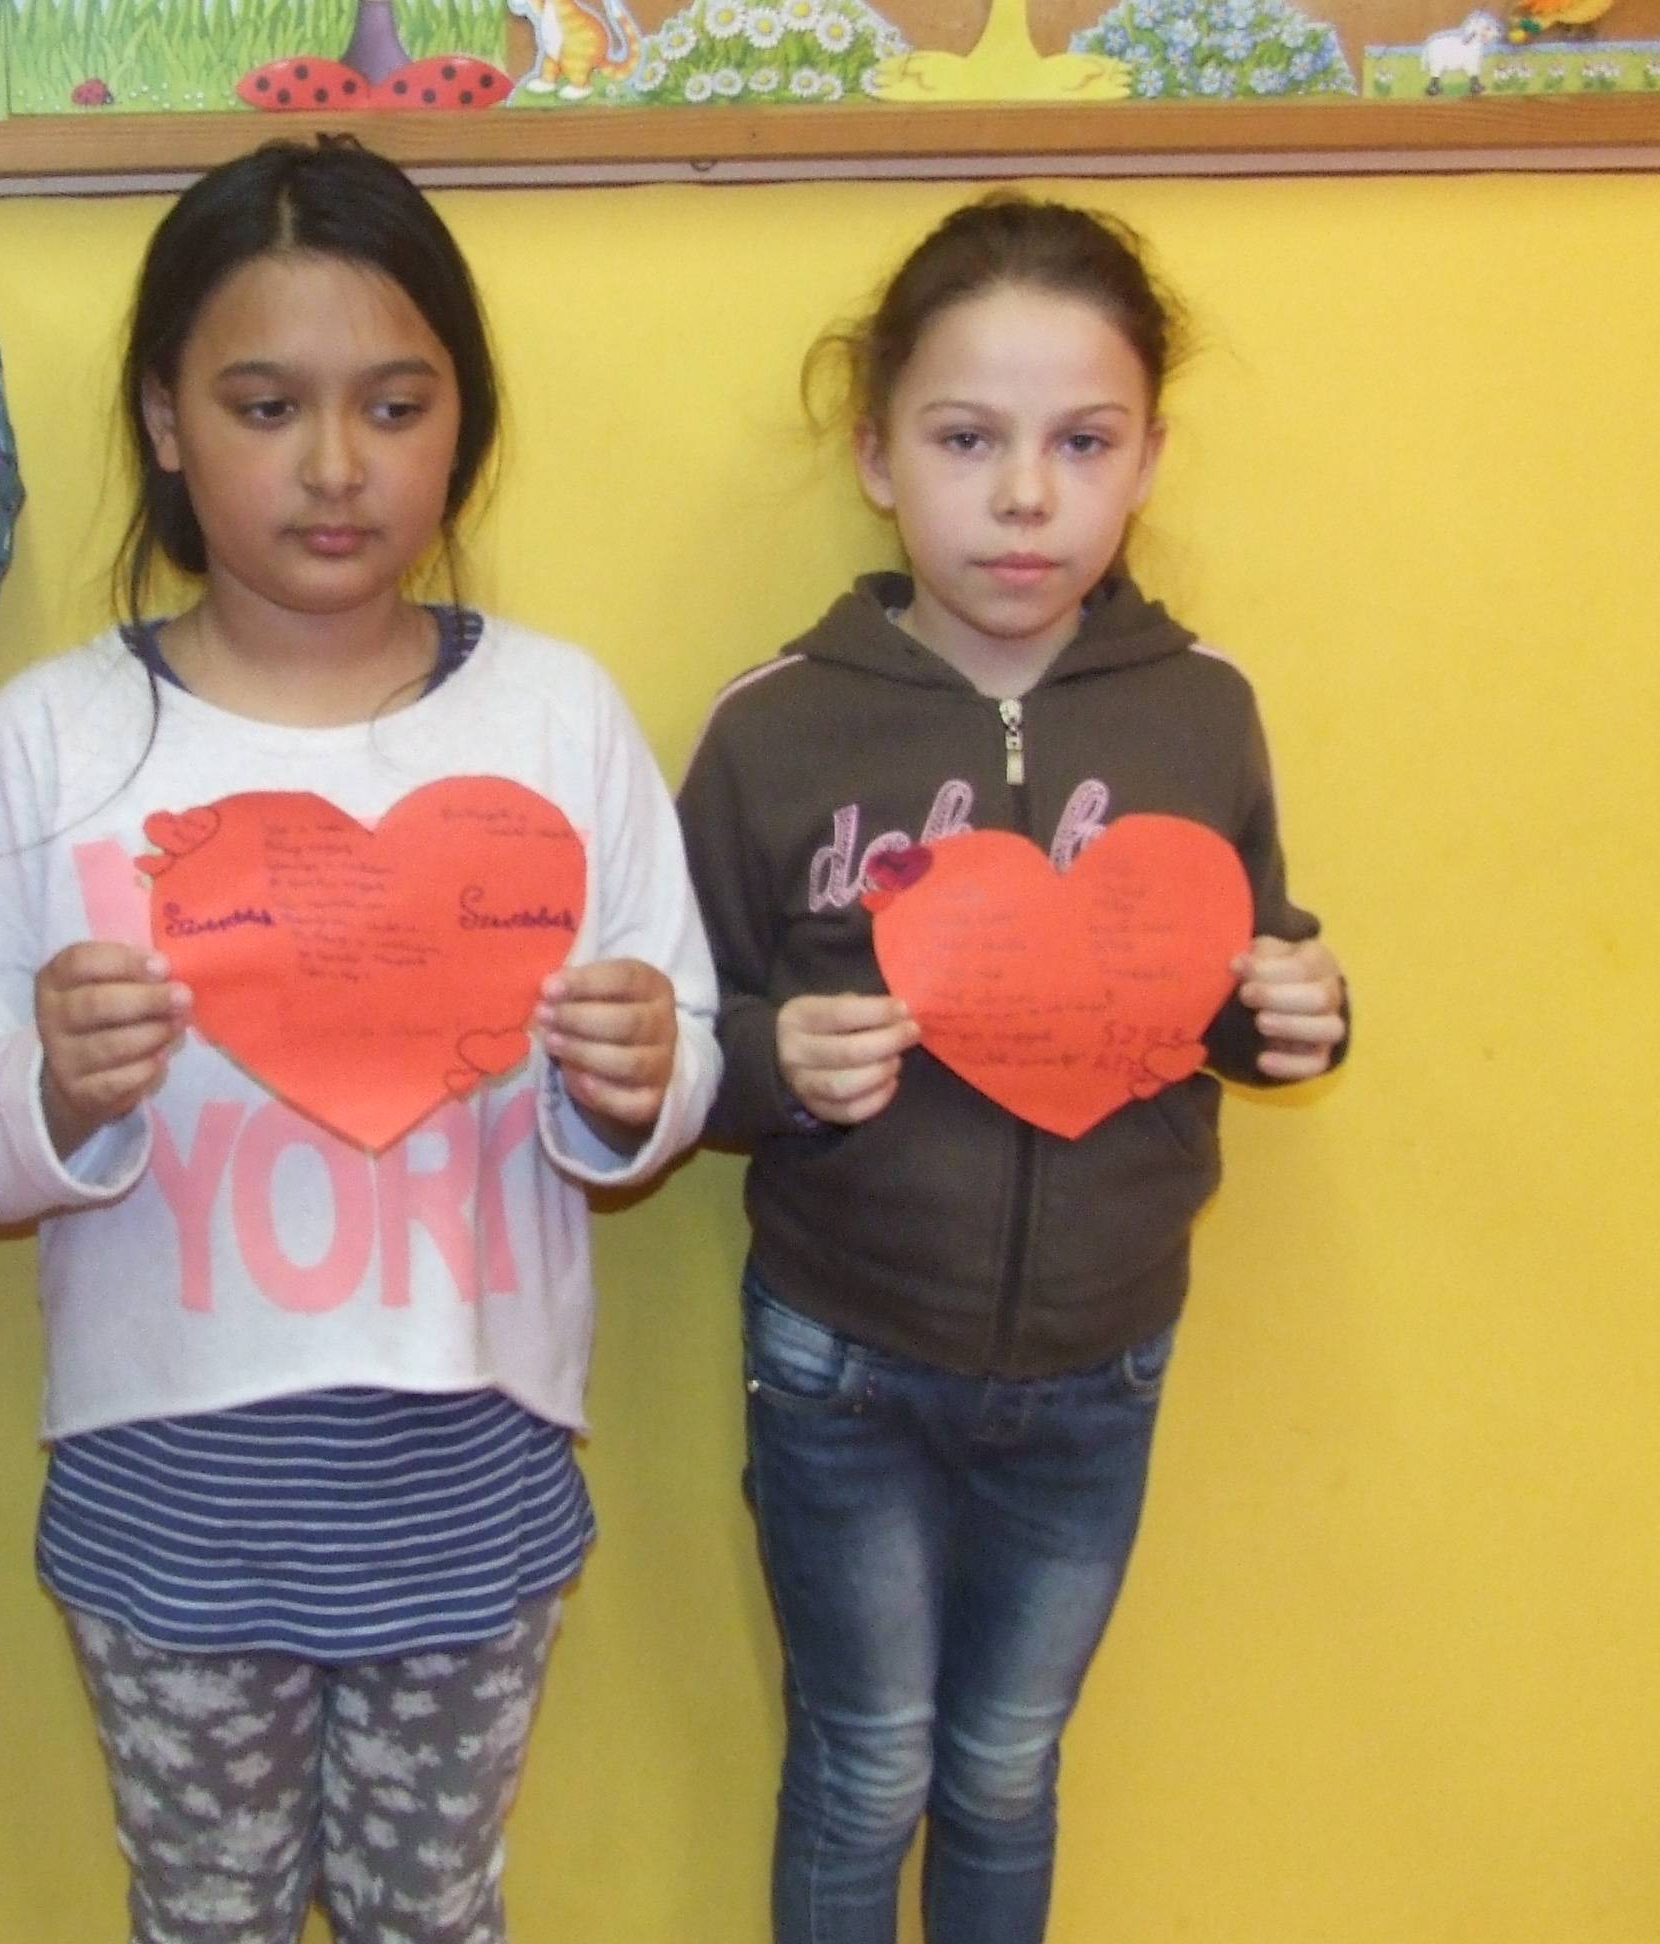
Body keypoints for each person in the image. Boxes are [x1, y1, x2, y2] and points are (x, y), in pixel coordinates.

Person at [0, 137, 719, 1944]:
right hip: (169, 1504)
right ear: (165, 420)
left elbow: (683, 1049)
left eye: (395, 407)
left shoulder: (555, 716)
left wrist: (639, 1079)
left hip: (470, 1487)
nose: (335, 466)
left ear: (461, 421)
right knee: (208, 1915)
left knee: (439, 1908)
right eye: (266, 406)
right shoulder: (55, 738)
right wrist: (59, 1093)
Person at [676, 193, 1349, 1944]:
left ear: (1149, 460)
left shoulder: (1202, 709)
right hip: (840, 1358)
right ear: (876, 452)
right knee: (865, 1763)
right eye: (968, 439)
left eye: (1084, 442)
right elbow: (676, 1036)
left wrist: (1295, 1010)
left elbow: (1233, 971)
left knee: (1003, 1765)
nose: (1028, 496)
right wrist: (768, 1058)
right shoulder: (774, 727)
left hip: (1103, 1358)